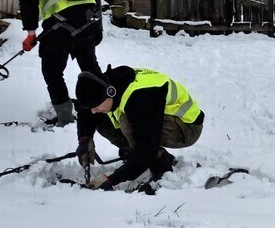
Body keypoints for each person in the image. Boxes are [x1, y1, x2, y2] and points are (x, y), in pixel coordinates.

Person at [73, 67, 205, 191]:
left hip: (186, 128)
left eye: (96, 105)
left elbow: (146, 149)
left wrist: (111, 180)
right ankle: (142, 157)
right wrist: (84, 140)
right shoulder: (105, 84)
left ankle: (161, 165)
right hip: (156, 118)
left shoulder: (141, 97)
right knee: (101, 119)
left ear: (110, 92)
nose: (93, 110)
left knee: (128, 123)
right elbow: (87, 112)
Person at [12, 0, 102, 127]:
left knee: (53, 73)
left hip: (60, 27)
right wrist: (97, 29)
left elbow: (28, 3)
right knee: (90, 69)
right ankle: (105, 107)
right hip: (89, 22)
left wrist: (30, 33)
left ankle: (66, 119)